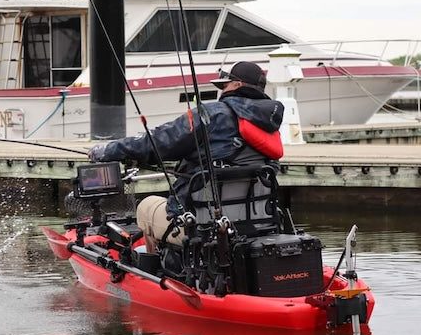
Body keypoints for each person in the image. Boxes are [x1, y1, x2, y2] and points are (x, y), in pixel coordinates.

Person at [88, 61, 284, 248]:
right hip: (258, 224)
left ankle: (159, 270)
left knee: (146, 207)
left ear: (237, 85)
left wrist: (108, 150)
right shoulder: (269, 125)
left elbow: (157, 142)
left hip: (200, 228)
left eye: (224, 85)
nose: (221, 91)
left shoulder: (211, 114)